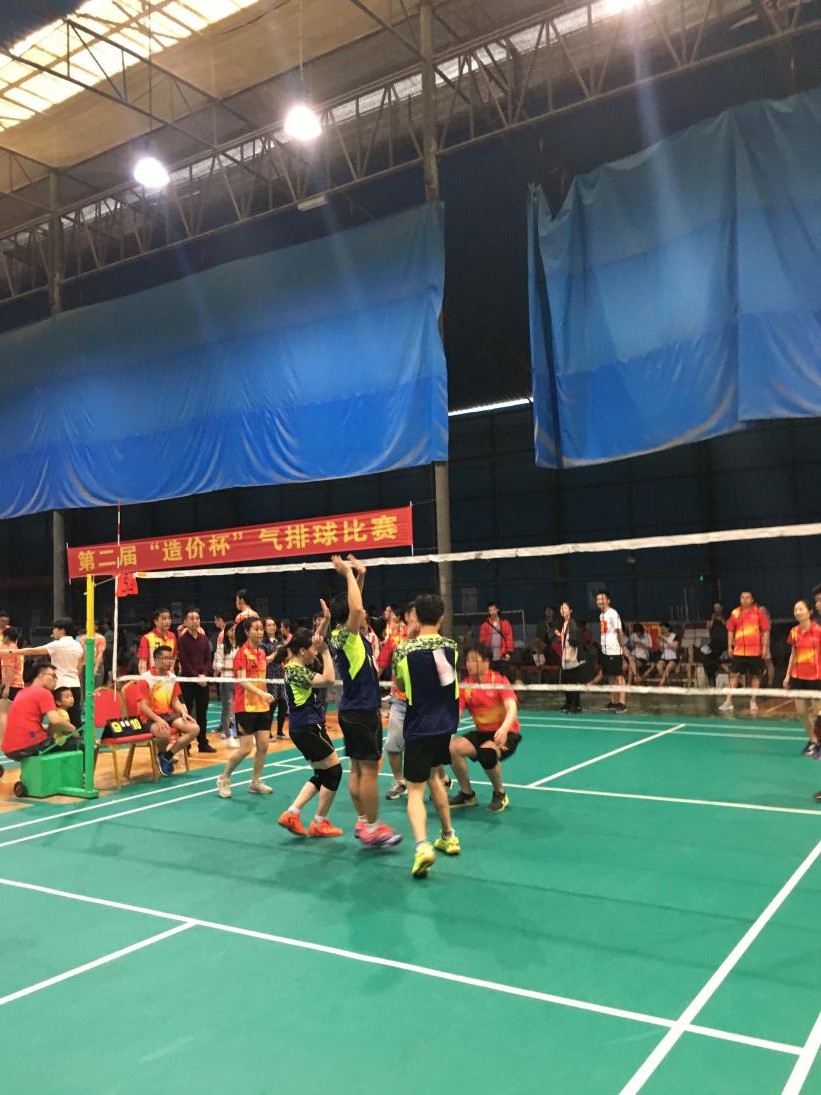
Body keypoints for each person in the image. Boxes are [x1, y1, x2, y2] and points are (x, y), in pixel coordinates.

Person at [330, 554, 401, 848]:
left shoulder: (345, 635)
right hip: (362, 710)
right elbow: (357, 607)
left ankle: (363, 821)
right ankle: (373, 826)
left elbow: (355, 605)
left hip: (351, 710)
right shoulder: (347, 635)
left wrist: (361, 576)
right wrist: (347, 573)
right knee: (369, 770)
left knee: (357, 769)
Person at [394, 593, 460, 878]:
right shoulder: (452, 647)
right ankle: (448, 836)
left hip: (419, 725)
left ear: (416, 618)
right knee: (435, 778)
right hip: (444, 725)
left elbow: (400, 686)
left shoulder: (404, 650)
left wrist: (410, 639)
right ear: (442, 617)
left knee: (415, 790)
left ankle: (422, 847)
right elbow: (448, 682)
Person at [277, 613, 345, 838]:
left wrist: (325, 621)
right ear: (302, 651)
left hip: (303, 727)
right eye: (312, 650)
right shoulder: (296, 670)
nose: (314, 652)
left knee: (322, 773)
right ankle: (319, 822)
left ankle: (292, 813)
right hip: (308, 727)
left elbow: (315, 642)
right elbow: (328, 680)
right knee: (334, 772)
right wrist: (325, 651)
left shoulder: (294, 665)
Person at [449, 643, 520, 812]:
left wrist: (504, 729)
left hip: (507, 733)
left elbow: (512, 707)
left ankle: (500, 793)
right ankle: (467, 795)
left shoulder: (499, 681)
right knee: (452, 748)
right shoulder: (466, 685)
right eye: (468, 660)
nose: (469, 664)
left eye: (474, 660)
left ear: (487, 662)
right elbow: (455, 714)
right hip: (483, 732)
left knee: (487, 753)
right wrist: (448, 734)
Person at [216, 617, 274, 798]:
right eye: (256, 629)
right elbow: (242, 680)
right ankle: (224, 778)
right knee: (246, 749)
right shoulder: (241, 654)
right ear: (247, 632)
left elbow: (263, 665)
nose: (260, 632)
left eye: (261, 629)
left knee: (263, 746)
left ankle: (255, 782)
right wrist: (262, 693)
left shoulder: (261, 653)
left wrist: (282, 652)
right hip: (245, 707)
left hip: (262, 707)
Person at [378, 601, 420, 800]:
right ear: (407, 617)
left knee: (424, 747)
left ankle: (441, 778)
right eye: (414, 614)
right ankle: (399, 781)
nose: (417, 618)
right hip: (400, 701)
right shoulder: (395, 639)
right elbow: (380, 664)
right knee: (393, 745)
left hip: (423, 703)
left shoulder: (428, 639)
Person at [136, 645, 200, 776]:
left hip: (167, 714)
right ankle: (161, 752)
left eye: (171, 658)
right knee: (164, 732)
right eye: (166, 658)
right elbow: (144, 706)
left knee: (194, 728)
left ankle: (166, 756)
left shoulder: (171, 677)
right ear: (156, 660)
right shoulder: (145, 678)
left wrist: (183, 713)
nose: (169, 661)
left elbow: (175, 701)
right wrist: (158, 719)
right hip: (148, 717)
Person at [9, 617, 85, 727]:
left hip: (59, 685)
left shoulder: (57, 644)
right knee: (75, 717)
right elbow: (79, 666)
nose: (53, 631)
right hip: (75, 684)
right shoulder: (77, 645)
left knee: (54, 717)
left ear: (62, 630)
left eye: (54, 629)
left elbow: (32, 651)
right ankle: (77, 736)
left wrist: (8, 652)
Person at [1, 660, 83, 761]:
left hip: (9, 749)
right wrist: (73, 729)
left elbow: (27, 721)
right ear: (41, 676)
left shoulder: (22, 692)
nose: (55, 680)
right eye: (53, 676)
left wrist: (45, 728)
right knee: (81, 745)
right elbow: (55, 720)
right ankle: (84, 772)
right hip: (29, 744)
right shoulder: (44, 692)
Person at [720, 591, 770, 714]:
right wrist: (730, 646)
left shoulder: (759, 612)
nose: (745, 599)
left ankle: (753, 700)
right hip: (739, 651)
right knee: (733, 675)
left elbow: (766, 630)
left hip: (755, 651)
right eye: (742, 597)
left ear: (752, 600)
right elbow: (730, 630)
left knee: (755, 676)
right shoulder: (735, 613)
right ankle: (728, 701)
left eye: (747, 597)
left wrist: (765, 648)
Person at [784, 598, 821, 756]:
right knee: (801, 712)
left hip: (816, 677)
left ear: (810, 612)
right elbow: (793, 654)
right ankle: (813, 740)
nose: (798, 612)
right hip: (798, 677)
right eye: (795, 610)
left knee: (819, 713)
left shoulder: (818, 631)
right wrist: (787, 675)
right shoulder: (794, 632)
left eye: (801, 609)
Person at [177, 606, 216, 754]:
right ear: (185, 621)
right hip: (187, 680)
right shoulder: (182, 640)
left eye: (197, 618)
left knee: (202, 713)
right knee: (186, 714)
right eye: (191, 618)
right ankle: (185, 745)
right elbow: (184, 661)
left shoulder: (204, 639)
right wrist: (195, 677)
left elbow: (208, 659)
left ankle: (203, 743)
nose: (195, 621)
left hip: (202, 681)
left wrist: (204, 674)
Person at [596, 591, 627, 712]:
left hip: (615, 650)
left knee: (619, 677)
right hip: (605, 651)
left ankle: (622, 703)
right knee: (610, 676)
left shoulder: (613, 613)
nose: (600, 601)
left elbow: (619, 631)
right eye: (598, 599)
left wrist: (622, 647)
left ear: (608, 600)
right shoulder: (601, 615)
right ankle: (614, 702)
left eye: (602, 599)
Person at [261, 617, 288, 741]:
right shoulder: (262, 643)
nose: (272, 627)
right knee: (272, 703)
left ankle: (280, 732)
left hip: (281, 673)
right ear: (264, 628)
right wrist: (276, 652)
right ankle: (268, 733)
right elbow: (264, 660)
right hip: (270, 673)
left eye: (273, 625)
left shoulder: (280, 640)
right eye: (269, 625)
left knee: (283, 703)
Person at [213, 621, 239, 748]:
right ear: (227, 632)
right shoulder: (222, 647)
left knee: (239, 708)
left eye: (235, 630)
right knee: (227, 709)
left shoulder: (241, 647)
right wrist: (230, 669)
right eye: (231, 630)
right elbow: (215, 665)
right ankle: (228, 736)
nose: (234, 632)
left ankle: (241, 733)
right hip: (226, 680)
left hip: (240, 681)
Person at [557, 600, 584, 712]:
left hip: (572, 658)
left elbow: (574, 640)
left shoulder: (572, 623)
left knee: (573, 682)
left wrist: (569, 653)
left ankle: (576, 705)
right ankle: (568, 704)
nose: (562, 610)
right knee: (566, 681)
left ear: (570, 610)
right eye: (561, 608)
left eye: (565, 608)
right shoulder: (565, 624)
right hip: (565, 659)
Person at [137, 608, 177, 674]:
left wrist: (171, 669)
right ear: (156, 621)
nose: (168, 621)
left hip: (167, 676)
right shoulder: (146, 638)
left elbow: (174, 656)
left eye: (169, 618)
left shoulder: (172, 636)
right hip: (152, 677)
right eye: (164, 619)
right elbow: (142, 663)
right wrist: (144, 678)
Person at [1, 626, 24, 700]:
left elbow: (10, 669)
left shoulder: (10, 650)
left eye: (3, 636)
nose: (2, 639)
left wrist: (7, 687)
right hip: (13, 684)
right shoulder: (13, 647)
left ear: (7, 637)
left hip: (13, 685)